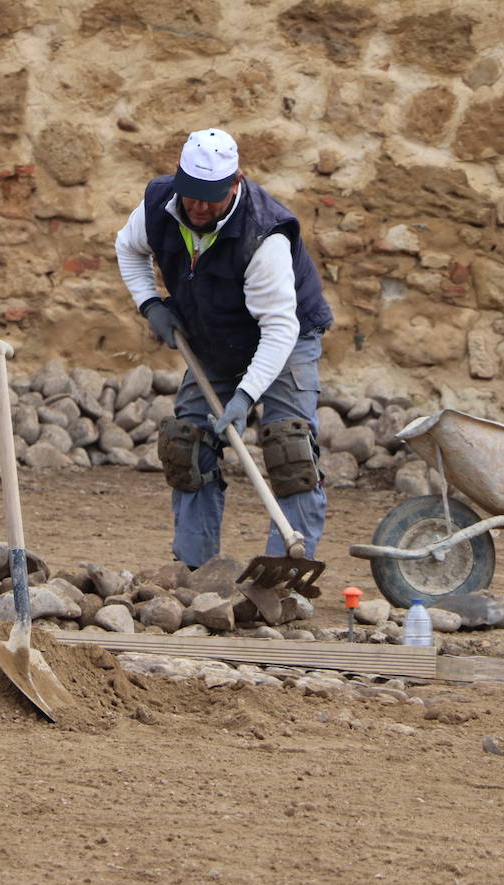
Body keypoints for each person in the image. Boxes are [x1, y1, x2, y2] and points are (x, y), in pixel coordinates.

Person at [115, 127, 333, 569]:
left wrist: (247, 394)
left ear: (235, 183)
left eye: (209, 197)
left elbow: (278, 329)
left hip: (284, 340)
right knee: (188, 446)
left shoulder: (263, 235)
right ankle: (196, 571)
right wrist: (150, 304)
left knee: (289, 451)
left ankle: (286, 574)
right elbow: (128, 247)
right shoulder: (160, 204)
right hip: (212, 337)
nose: (197, 206)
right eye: (191, 193)